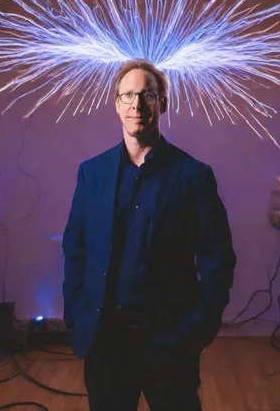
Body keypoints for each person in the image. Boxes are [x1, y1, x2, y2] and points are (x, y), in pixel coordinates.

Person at [62, 59, 236, 411]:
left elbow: (218, 260)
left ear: (163, 104)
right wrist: (76, 314)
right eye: (128, 95)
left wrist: (197, 331)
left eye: (147, 95)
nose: (136, 105)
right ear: (116, 104)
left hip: (170, 342)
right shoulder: (91, 174)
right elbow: (75, 248)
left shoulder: (193, 176)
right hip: (106, 341)